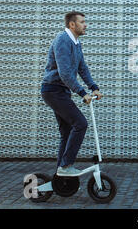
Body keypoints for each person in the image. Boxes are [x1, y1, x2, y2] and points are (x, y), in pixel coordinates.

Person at [40, 11, 103, 176]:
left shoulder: (76, 43)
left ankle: (60, 175)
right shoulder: (62, 40)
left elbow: (82, 67)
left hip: (61, 91)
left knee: (67, 132)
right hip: (53, 90)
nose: (85, 25)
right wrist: (82, 92)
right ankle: (66, 166)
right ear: (72, 24)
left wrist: (93, 87)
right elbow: (65, 73)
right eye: (82, 22)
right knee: (80, 123)